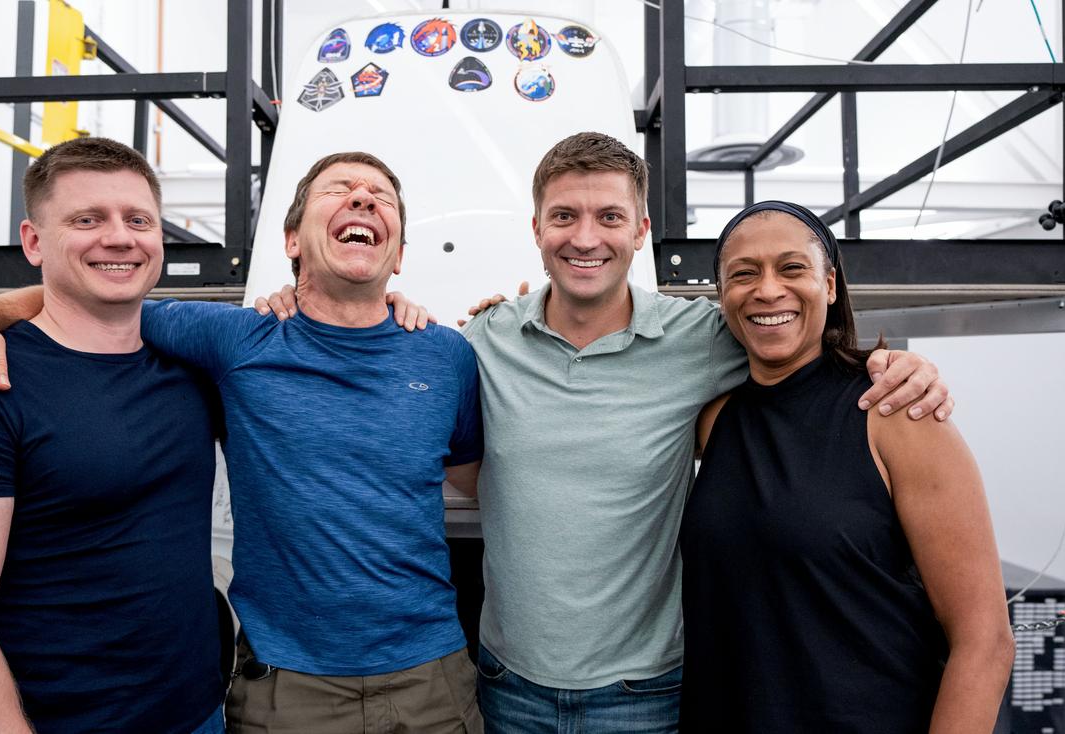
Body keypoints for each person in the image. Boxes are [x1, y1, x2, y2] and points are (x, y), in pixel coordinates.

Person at [257, 132, 954, 733]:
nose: (585, 237)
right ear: (536, 229)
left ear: (640, 229)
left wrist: (892, 365)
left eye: (608, 216)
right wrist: (299, 300)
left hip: (645, 696)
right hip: (506, 690)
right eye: (564, 216)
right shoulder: (480, 341)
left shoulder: (702, 336)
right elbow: (388, 351)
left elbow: (791, 337)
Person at [0, 150, 484, 733]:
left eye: (380, 196)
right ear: (291, 242)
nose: (362, 198)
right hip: (289, 685)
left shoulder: (449, 354)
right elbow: (100, 299)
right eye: (338, 190)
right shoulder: (232, 338)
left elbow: (473, 479)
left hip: (431, 676)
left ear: (400, 254)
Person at [0, 137, 227, 733]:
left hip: (199, 716)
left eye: (138, 219)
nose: (119, 237)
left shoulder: (188, 361)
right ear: (33, 241)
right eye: (86, 220)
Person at [679, 201, 1013, 732]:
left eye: (792, 268)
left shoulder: (896, 413)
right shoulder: (712, 420)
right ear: (723, 296)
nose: (767, 290)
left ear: (829, 286)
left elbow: (985, 640)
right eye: (743, 274)